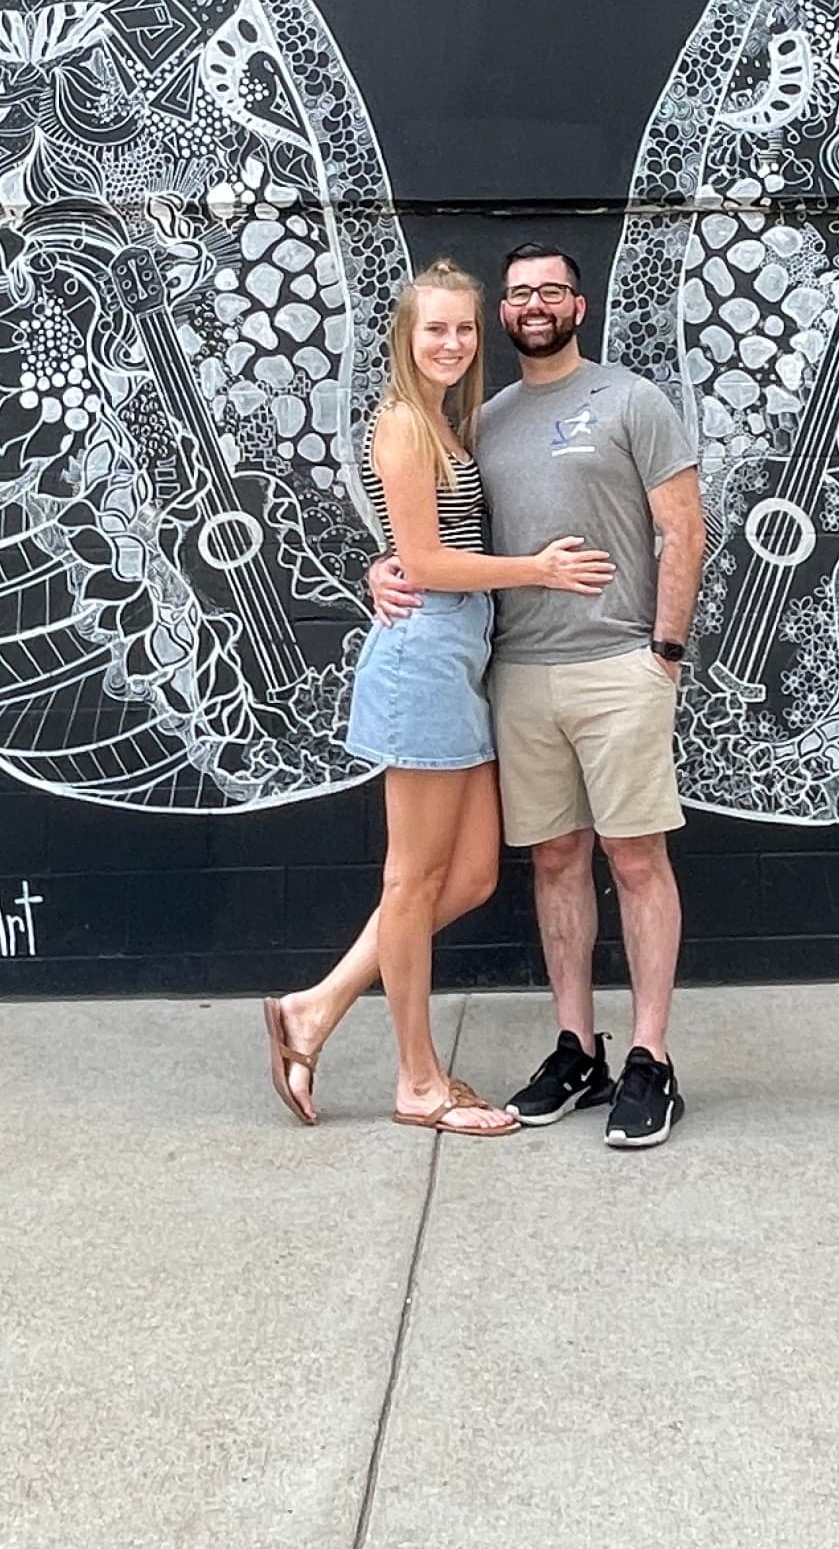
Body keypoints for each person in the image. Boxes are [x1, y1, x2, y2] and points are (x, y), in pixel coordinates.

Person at [262, 258, 614, 1138]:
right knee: (413, 880)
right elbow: (422, 564)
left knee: (472, 875)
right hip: (425, 659)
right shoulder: (404, 427)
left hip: (462, 656)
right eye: (435, 329)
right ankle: (416, 1080)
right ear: (405, 338)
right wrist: (536, 571)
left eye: (463, 327)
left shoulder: (451, 426)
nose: (451, 342)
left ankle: (317, 1005)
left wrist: (394, 565)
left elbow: (406, 552)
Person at [373, 242, 707, 1151]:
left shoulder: (631, 400)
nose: (532, 304)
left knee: (636, 862)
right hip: (516, 673)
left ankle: (650, 1058)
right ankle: (577, 1045)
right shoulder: (482, 418)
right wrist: (389, 566)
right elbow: (435, 530)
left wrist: (663, 654)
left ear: (578, 304)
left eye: (549, 290)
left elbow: (684, 529)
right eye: (517, 293)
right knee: (555, 861)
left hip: (617, 667)